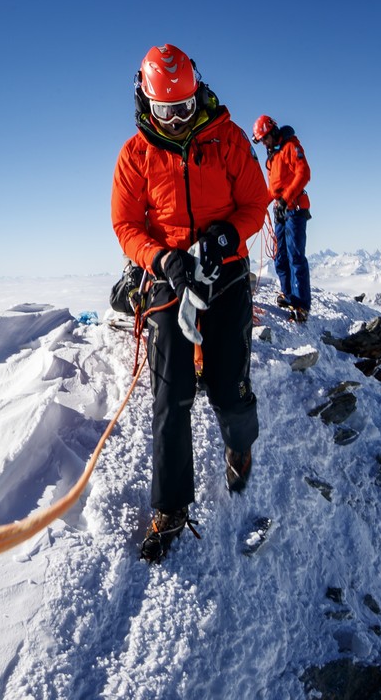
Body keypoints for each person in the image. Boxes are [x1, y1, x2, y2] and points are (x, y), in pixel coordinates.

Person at [111, 44, 271, 562]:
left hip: (224, 274)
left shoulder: (227, 139)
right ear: (146, 103)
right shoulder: (135, 155)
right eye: (166, 112)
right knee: (171, 396)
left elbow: (255, 202)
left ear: (197, 92)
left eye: (184, 108)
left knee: (229, 384)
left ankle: (239, 443)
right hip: (170, 277)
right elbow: (126, 225)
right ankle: (172, 506)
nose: (178, 121)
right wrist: (160, 259)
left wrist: (225, 237)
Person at [252, 115, 313, 321]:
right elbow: (273, 189)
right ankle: (288, 295)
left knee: (296, 256)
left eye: (265, 139)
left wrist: (286, 200)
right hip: (280, 210)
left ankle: (301, 305)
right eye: (261, 141)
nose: (264, 143)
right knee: (280, 256)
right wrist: (259, 206)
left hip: (294, 209)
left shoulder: (290, 147)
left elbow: (304, 173)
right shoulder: (273, 156)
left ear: (273, 132)